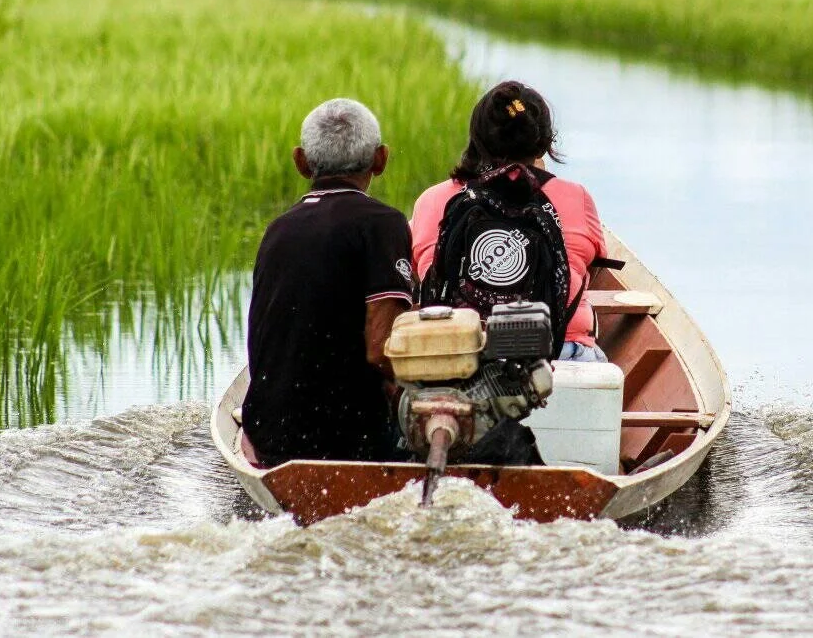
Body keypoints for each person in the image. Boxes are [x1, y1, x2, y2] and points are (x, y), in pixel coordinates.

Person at [242, 99, 413, 466]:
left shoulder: (278, 229)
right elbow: (382, 349)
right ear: (380, 159)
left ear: (301, 162)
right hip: (347, 440)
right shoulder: (383, 223)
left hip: (270, 431)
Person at [411, 81, 609, 362]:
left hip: (460, 353)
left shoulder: (433, 200)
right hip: (559, 349)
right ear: (542, 142)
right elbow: (593, 265)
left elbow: (423, 273)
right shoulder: (575, 198)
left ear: (478, 137)